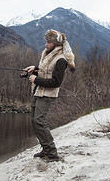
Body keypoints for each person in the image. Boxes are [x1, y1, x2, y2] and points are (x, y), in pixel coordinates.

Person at [24, 29, 75, 162]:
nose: (45, 44)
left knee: (39, 122)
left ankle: (52, 153)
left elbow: (56, 82)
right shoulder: (48, 54)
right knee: (34, 122)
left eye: (47, 42)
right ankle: (45, 149)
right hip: (38, 91)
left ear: (55, 44)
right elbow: (45, 71)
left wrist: (35, 79)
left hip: (47, 94)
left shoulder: (61, 60)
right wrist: (34, 68)